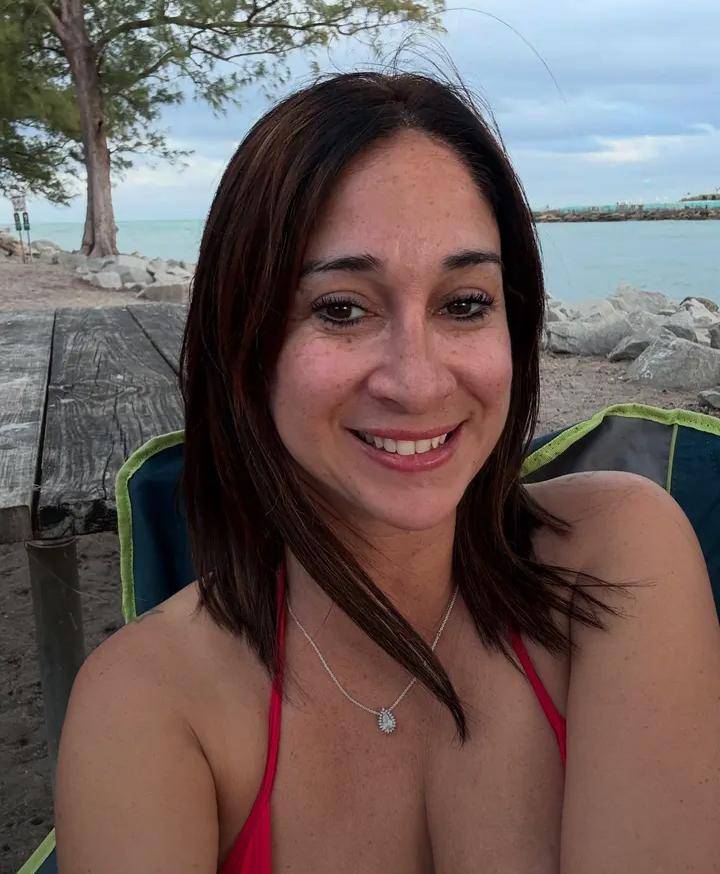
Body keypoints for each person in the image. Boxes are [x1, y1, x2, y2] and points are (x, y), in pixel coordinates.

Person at [54, 70, 720, 873]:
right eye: (341, 308)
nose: (418, 383)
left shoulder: (618, 554)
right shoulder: (150, 704)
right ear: (245, 342)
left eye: (464, 303)